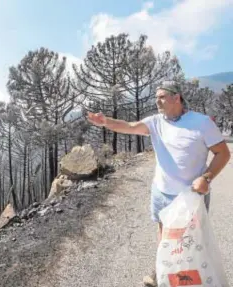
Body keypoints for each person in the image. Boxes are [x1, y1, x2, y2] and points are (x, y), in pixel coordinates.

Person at [86, 80, 231, 287]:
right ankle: (161, 271)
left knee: (192, 240)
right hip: (162, 192)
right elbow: (129, 127)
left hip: (191, 196)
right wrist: (105, 122)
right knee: (165, 236)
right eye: (156, 97)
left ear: (176, 97)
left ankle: (193, 278)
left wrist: (206, 178)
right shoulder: (156, 122)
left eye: (162, 96)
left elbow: (223, 154)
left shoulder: (202, 123)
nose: (157, 101)